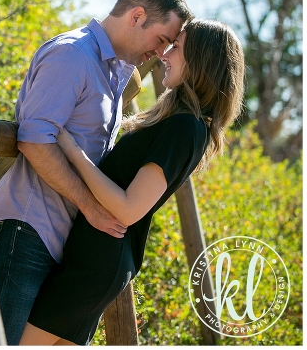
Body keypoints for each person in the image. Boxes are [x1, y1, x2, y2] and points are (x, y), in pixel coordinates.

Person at [0, 0, 191, 344]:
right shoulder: (72, 55)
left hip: (56, 241)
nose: (161, 53)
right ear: (137, 16)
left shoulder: (115, 72)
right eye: (161, 39)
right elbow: (34, 141)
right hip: (23, 231)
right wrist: (90, 207)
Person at [21, 18, 246, 345]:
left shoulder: (186, 128)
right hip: (96, 259)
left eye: (177, 47)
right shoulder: (180, 122)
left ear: (201, 61)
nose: (165, 54)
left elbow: (129, 209)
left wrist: (71, 150)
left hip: (95, 265)